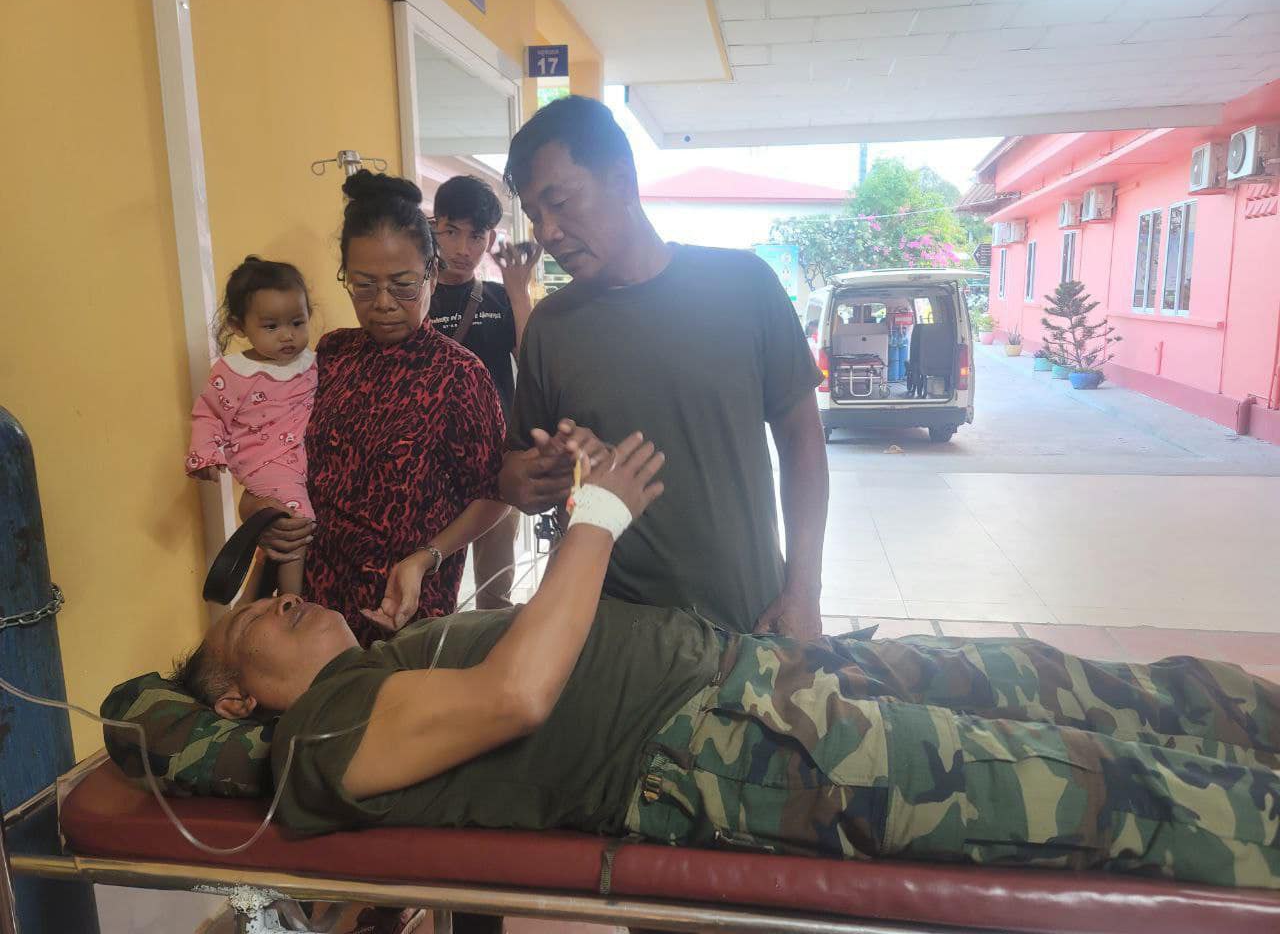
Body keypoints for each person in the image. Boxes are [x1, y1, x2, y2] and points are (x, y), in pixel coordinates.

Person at [179, 433, 1280, 893]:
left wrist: (545, 525)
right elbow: (517, 696)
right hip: (724, 749)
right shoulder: (318, 735)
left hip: (745, 676)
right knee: (1083, 786)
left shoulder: (388, 661)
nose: (282, 599)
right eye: (256, 620)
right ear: (236, 698)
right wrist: (597, 520)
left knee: (1050, 681)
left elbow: (530, 647)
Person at [498, 96, 829, 639]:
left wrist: (804, 590)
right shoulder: (550, 327)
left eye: (559, 201)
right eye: (535, 215)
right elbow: (515, 470)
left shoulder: (743, 286)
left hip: (746, 620)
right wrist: (533, 477)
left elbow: (802, 439)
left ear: (622, 180)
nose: (547, 232)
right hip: (606, 634)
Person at [240, 171, 509, 647]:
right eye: (363, 286)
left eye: (403, 285)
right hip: (307, 611)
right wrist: (256, 507)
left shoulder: (460, 375)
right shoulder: (331, 354)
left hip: (402, 616)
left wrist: (427, 557)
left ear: (431, 273)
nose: (383, 303)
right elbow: (277, 448)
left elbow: (493, 495)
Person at [429, 175, 538, 608]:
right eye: (451, 231)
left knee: (495, 587)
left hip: (494, 458)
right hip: (432, 460)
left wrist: (517, 290)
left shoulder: (497, 298)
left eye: (476, 236)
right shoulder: (414, 297)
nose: (462, 248)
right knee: (430, 573)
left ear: (490, 238)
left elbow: (531, 362)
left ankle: (491, 644)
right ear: (433, 226)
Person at [186, 256, 316, 595]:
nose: (287, 335)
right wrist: (205, 453)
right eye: (271, 327)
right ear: (239, 326)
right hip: (264, 460)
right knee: (296, 521)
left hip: (301, 457)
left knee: (278, 531)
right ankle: (292, 602)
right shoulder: (233, 373)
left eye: (297, 322)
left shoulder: (312, 362)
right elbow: (208, 414)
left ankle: (255, 597)